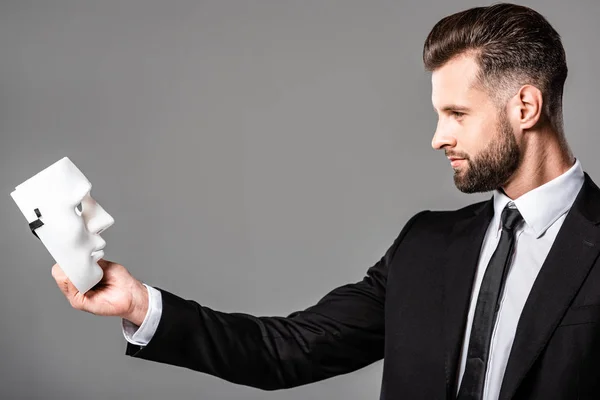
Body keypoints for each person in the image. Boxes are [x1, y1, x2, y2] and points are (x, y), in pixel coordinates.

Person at [51, 3, 600, 399]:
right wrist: (140, 305)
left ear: (525, 107)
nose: (437, 137)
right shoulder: (425, 245)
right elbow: (286, 349)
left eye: (457, 114)